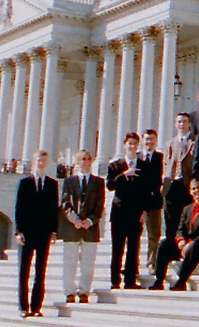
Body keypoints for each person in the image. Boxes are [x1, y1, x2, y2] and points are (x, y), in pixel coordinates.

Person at [149, 178, 199, 291]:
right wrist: (181, 240)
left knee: (194, 247)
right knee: (164, 244)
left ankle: (181, 281)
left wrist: (192, 242)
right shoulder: (187, 209)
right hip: (186, 246)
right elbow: (180, 229)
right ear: (190, 191)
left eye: (198, 187)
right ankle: (159, 281)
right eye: (193, 188)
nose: (196, 191)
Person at [15, 150, 59, 318]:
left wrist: (54, 231)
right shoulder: (24, 183)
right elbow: (18, 208)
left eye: (44, 161)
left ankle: (36, 307)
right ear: (34, 162)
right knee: (24, 272)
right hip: (26, 233)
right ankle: (23, 307)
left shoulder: (52, 184)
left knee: (40, 272)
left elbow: (54, 209)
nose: (41, 163)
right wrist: (18, 231)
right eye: (39, 160)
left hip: (44, 233)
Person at [60, 149, 104, 305]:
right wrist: (74, 220)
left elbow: (100, 205)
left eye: (88, 159)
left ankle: (84, 291)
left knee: (88, 263)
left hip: (90, 229)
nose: (85, 162)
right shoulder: (69, 181)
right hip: (72, 228)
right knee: (70, 261)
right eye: (82, 159)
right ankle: (70, 292)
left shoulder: (98, 182)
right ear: (77, 162)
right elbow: (65, 203)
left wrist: (90, 221)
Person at [107, 133, 147, 290]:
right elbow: (110, 185)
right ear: (124, 145)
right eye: (129, 143)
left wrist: (144, 211)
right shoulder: (115, 166)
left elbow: (146, 189)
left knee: (133, 248)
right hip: (119, 212)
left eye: (135, 144)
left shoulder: (143, 165)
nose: (132, 146)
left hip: (135, 212)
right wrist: (124, 175)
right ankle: (114, 280)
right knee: (117, 248)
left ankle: (130, 280)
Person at [162, 113, 196, 240]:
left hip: (187, 184)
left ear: (189, 123)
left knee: (186, 219)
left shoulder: (195, 141)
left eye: (184, 122)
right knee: (170, 221)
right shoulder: (170, 143)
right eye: (179, 122)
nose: (182, 124)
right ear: (175, 125)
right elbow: (166, 163)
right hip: (172, 184)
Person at [140, 129, 164, 271]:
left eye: (152, 139)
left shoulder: (160, 158)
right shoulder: (137, 158)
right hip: (138, 202)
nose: (149, 142)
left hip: (154, 201)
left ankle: (151, 262)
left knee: (154, 234)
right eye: (147, 139)